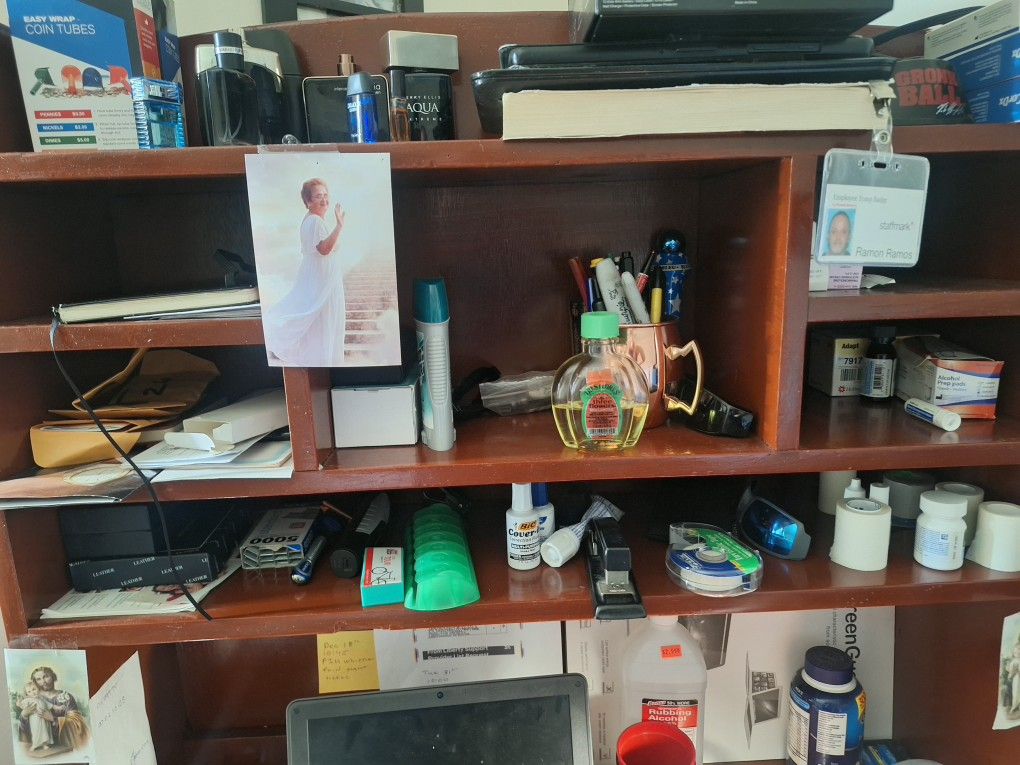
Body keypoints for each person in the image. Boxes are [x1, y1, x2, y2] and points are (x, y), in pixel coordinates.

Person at [263, 177, 347, 366]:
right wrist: (339, 226)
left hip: (319, 278)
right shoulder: (315, 221)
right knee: (324, 321)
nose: (324, 200)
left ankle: (322, 361)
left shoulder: (312, 220)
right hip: (321, 281)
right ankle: (325, 363)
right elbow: (324, 249)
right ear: (308, 201)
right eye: (318, 196)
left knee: (320, 323)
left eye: (325, 195)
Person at [18, 666, 89, 752]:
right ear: (35, 682)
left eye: (46, 676)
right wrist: (24, 715)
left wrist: (53, 719)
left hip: (64, 744)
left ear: (53, 676)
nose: (43, 681)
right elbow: (24, 731)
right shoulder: (32, 699)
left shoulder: (66, 697)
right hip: (39, 744)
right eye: (38, 679)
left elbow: (77, 723)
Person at [18, 681, 54, 752]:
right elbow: (23, 706)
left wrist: (57, 708)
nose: (32, 692)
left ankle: (44, 744)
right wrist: (19, 704)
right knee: (36, 731)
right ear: (27, 694)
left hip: (44, 718)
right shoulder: (28, 700)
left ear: (38, 689)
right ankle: (35, 744)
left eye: (34, 689)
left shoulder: (41, 698)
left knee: (44, 731)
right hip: (35, 719)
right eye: (29, 691)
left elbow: (49, 705)